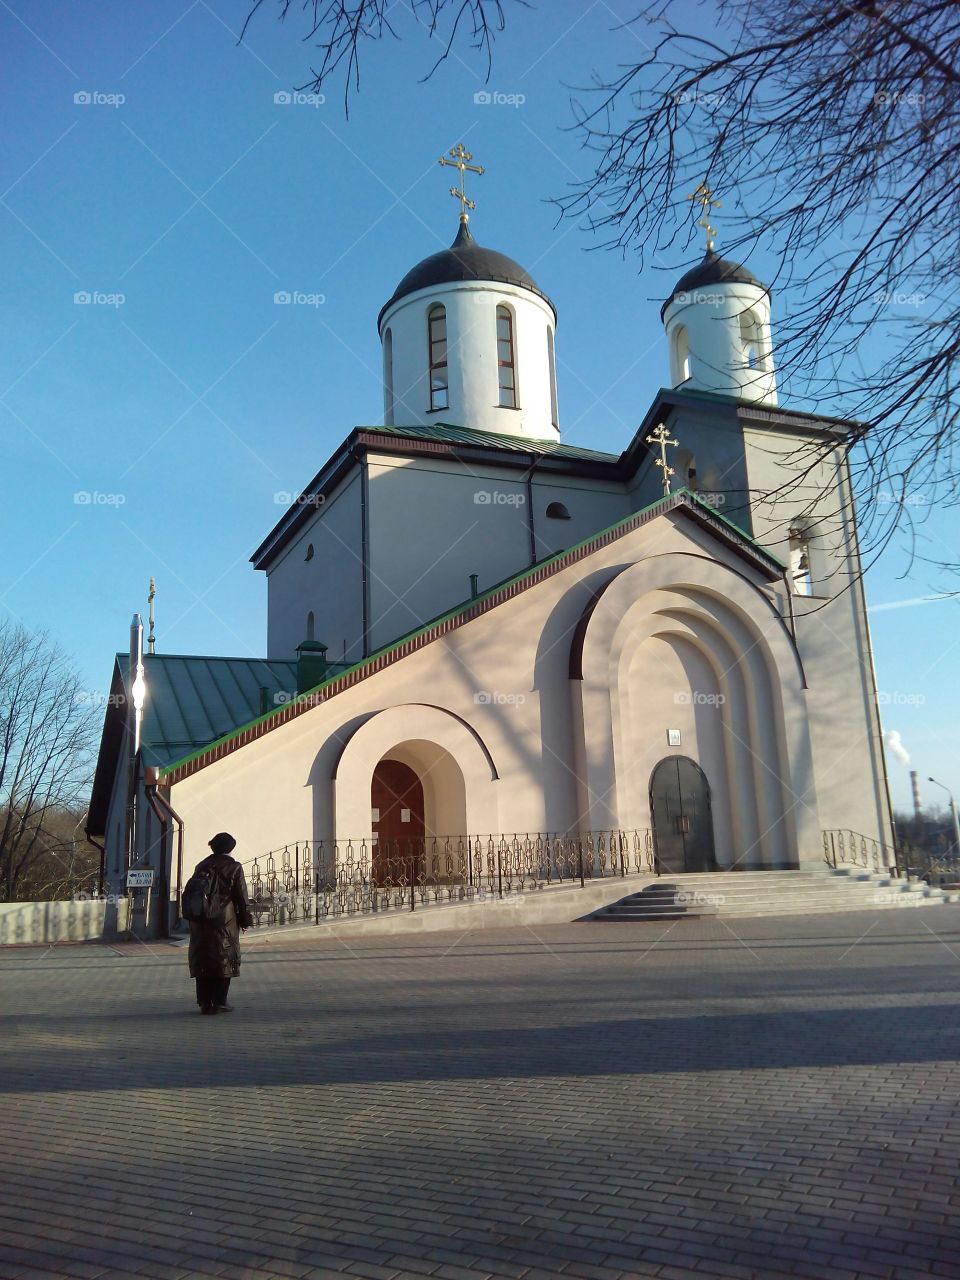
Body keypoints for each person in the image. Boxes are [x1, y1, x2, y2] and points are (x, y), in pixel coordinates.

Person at [188, 832, 254, 1015]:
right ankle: (219, 1001)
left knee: (202, 959)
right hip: (225, 919)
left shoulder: (202, 865)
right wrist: (245, 920)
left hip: (200, 920)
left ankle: (204, 1002)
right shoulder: (234, 867)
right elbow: (241, 896)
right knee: (224, 958)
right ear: (231, 848)